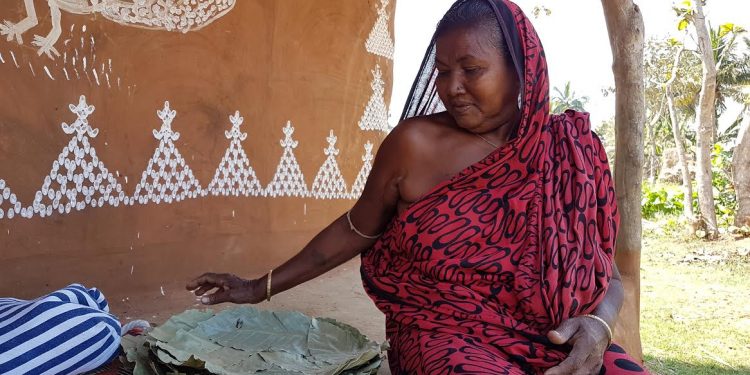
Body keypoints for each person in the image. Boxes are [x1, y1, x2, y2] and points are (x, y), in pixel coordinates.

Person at [187, 0, 649, 373]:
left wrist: (599, 324)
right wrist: (257, 287)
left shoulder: (571, 153)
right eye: (443, 71)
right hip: (444, 335)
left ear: (521, 69)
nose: (453, 87)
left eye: (471, 69)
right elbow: (355, 229)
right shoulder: (414, 145)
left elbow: (604, 274)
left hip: (560, 341)